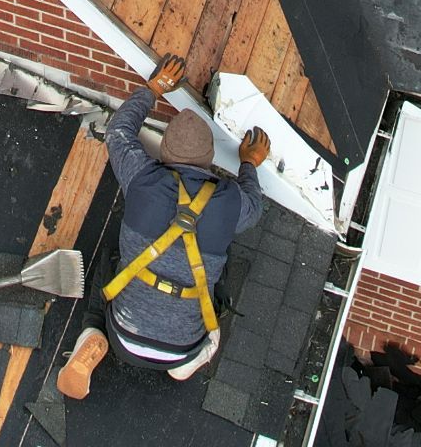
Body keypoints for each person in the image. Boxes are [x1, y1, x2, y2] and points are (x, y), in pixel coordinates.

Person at [57, 52, 272, 397]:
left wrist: (153, 89)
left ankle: (92, 331)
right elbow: (254, 208)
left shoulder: (143, 178)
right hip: (180, 348)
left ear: (164, 155)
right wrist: (249, 164)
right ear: (208, 162)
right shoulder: (231, 203)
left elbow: (119, 131)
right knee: (219, 276)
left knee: (109, 261)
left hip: (123, 336)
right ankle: (187, 365)